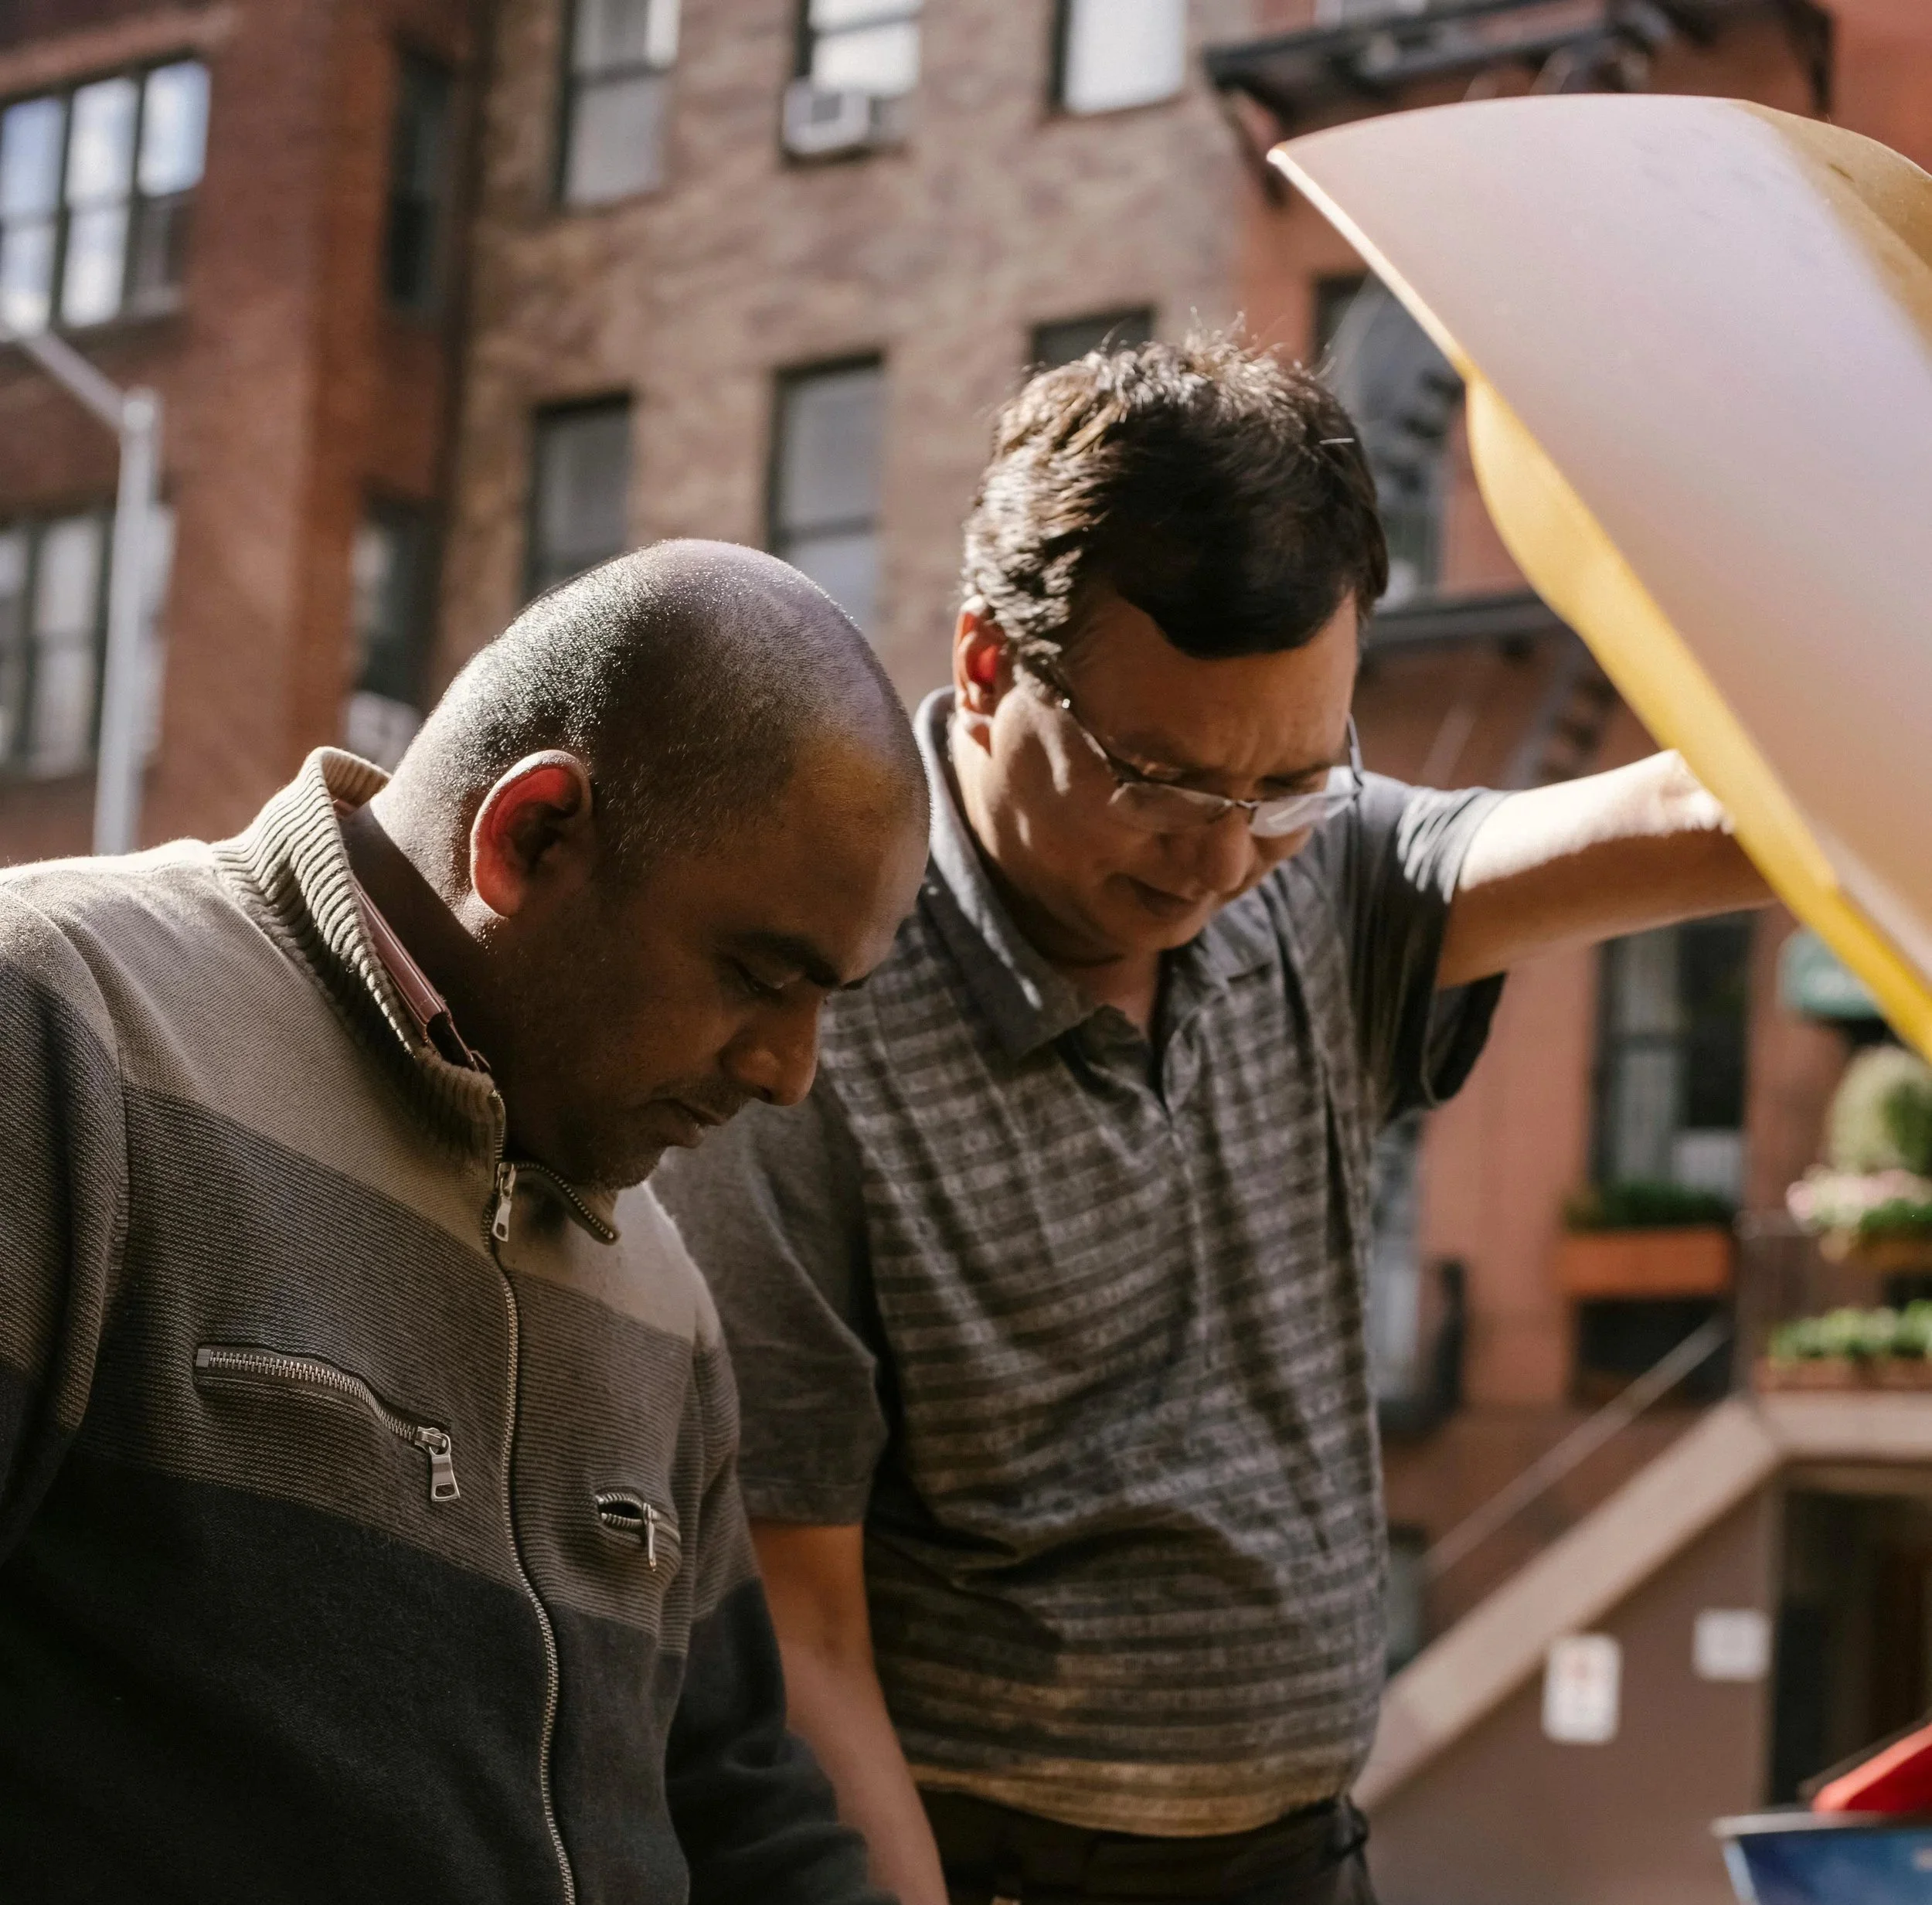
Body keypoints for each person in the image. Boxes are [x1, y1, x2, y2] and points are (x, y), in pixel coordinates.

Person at [654, 337, 1772, 1905]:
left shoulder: (1314, 872)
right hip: (984, 1866)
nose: (1221, 856)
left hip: (1300, 1854)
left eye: (1292, 781)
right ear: (985, 664)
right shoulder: (809, 1014)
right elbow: (802, 1626)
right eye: (1158, 778)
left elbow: (1702, 812)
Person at [0, 540, 930, 1903]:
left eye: (826, 998)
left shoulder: (662, 1290)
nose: (790, 1072)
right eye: (755, 976)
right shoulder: (62, 1036)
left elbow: (736, 1802)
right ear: (530, 835)